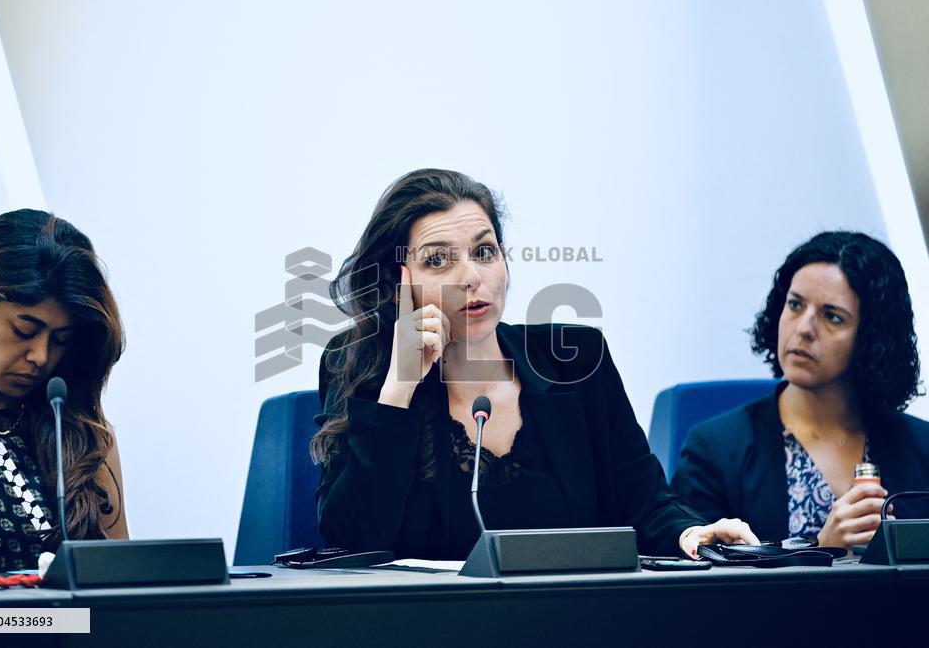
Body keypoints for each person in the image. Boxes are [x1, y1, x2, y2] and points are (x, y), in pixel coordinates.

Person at [312, 168, 758, 560]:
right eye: (436, 260)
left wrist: (690, 532)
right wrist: (399, 389)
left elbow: (645, 503)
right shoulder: (360, 368)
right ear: (398, 285)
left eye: (484, 252)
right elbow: (353, 545)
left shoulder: (577, 359)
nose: (471, 277)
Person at [672, 231, 929, 547]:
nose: (804, 328)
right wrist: (824, 552)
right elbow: (699, 586)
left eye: (832, 316)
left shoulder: (921, 447)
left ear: (871, 338)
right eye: (795, 305)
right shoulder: (714, 449)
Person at [0, 210, 127, 572]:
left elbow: (119, 586)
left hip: (76, 629)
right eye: (24, 328)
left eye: (60, 340)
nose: (41, 356)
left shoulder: (80, 432)